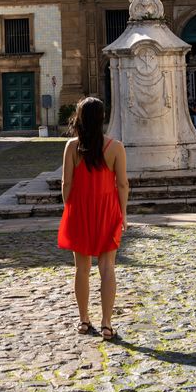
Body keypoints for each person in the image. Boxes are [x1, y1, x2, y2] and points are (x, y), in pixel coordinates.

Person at [57, 97, 129, 341]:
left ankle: (84, 320)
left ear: (79, 118)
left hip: (80, 209)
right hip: (107, 210)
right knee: (107, 268)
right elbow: (122, 184)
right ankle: (107, 324)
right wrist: (123, 213)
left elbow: (66, 183)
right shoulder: (115, 147)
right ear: (102, 118)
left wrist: (69, 207)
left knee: (82, 269)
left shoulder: (72, 147)